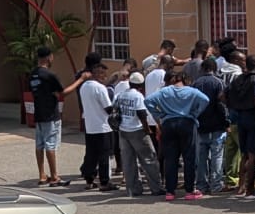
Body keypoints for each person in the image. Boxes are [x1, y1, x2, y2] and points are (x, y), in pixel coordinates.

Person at [145, 71, 209, 200]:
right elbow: (205, 100)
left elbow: (148, 101)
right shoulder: (192, 91)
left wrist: (159, 115)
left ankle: (170, 191)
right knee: (189, 158)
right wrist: (195, 113)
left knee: (170, 159)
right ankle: (189, 190)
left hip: (168, 123)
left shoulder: (165, 91)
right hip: (187, 123)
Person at [28, 46, 83, 186]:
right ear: (49, 57)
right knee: (50, 145)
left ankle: (41, 174)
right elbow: (62, 93)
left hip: (39, 113)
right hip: (50, 114)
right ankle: (54, 176)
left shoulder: (32, 74)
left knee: (39, 144)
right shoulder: (49, 75)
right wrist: (80, 80)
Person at [113, 71, 163, 196]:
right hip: (137, 130)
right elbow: (142, 114)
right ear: (141, 85)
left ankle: (133, 189)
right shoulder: (138, 96)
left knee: (129, 161)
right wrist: (147, 130)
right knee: (149, 159)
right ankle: (156, 188)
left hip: (123, 131)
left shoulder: (121, 94)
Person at [227, 56, 255, 199]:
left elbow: (223, 95)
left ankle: (241, 186)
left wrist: (234, 107)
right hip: (254, 117)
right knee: (254, 154)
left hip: (240, 117)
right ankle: (250, 189)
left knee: (244, 154)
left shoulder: (237, 79)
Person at [192, 57, 229, 194]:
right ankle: (216, 185)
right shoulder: (219, 83)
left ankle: (201, 185)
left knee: (201, 157)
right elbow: (222, 105)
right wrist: (226, 122)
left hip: (201, 124)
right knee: (217, 155)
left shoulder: (196, 83)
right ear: (214, 68)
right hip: (217, 125)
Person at [79, 63, 119, 191]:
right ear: (96, 74)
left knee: (91, 154)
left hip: (90, 126)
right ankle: (104, 182)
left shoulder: (83, 87)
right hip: (103, 126)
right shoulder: (100, 88)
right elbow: (108, 108)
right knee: (104, 155)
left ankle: (89, 180)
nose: (105, 76)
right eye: (103, 74)